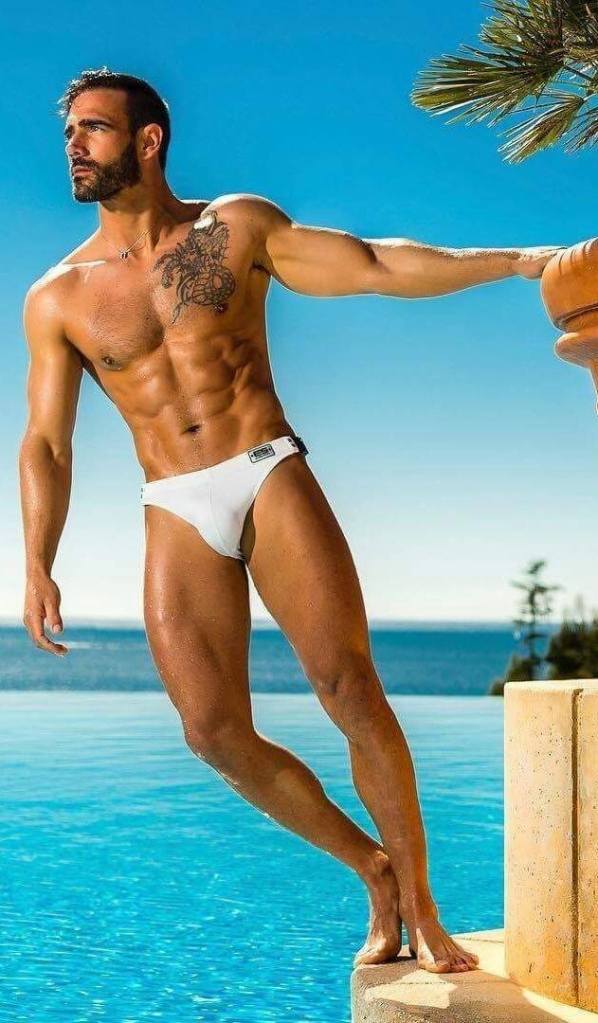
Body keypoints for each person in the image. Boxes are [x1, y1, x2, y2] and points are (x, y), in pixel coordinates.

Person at [19, 67, 562, 974]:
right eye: (69, 131)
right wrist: (38, 559)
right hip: (173, 500)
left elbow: (375, 264)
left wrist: (517, 261)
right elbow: (46, 442)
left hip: (264, 465)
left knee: (349, 687)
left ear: (148, 140)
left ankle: (423, 905)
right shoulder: (57, 297)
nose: (74, 145)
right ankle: (372, 868)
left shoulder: (233, 228)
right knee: (211, 730)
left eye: (94, 128)